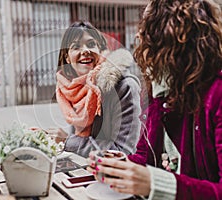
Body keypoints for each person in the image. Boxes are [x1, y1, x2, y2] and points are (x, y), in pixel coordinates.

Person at [87, 0, 222, 199]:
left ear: (174, 41)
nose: (138, 39)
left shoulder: (216, 94)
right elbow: (146, 156)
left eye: (147, 31)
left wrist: (155, 183)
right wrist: (121, 166)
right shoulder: (160, 90)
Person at [55, 21, 141, 157]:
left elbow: (122, 152)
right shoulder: (73, 91)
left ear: (100, 51)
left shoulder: (124, 88)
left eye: (91, 44)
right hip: (91, 170)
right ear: (67, 57)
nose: (85, 51)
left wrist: (67, 141)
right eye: (76, 47)